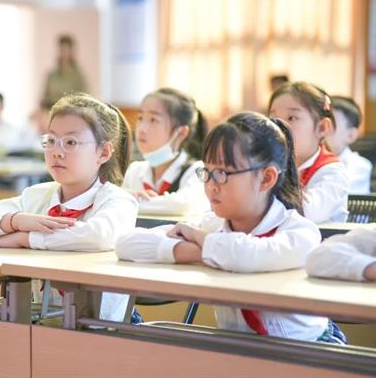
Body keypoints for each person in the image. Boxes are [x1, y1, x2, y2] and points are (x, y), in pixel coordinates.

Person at [116, 112, 345, 343]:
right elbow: (128, 244)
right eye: (207, 173)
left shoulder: (300, 232)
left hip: (310, 349)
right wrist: (202, 252)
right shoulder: (213, 225)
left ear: (267, 178)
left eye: (222, 173)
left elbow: (247, 255)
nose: (211, 186)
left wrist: (199, 238)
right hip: (241, 347)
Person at [0, 93, 138, 321]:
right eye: (51, 140)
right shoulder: (36, 196)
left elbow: (98, 236)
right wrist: (14, 221)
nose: (56, 152)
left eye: (71, 142)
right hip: (44, 322)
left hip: (105, 328)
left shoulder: (118, 201)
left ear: (103, 152)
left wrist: (26, 238)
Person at [268, 82, 348, 223]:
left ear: (322, 128)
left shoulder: (332, 172)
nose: (279, 128)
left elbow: (304, 213)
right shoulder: (270, 164)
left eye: (292, 118)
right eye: (273, 120)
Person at [122, 88, 209, 215]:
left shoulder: (197, 171)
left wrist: (127, 201)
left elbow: (183, 205)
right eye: (140, 118)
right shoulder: (135, 170)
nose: (141, 128)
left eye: (153, 120)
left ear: (181, 133)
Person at [325, 96, 372, 194]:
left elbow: (334, 193)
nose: (321, 130)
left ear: (351, 135)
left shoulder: (360, 166)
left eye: (330, 125)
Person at [42, 34, 87, 106]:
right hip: (52, 108)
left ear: (71, 51)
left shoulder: (78, 76)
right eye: (61, 49)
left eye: (66, 49)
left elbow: (84, 98)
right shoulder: (51, 76)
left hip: (71, 109)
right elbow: (45, 97)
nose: (64, 53)